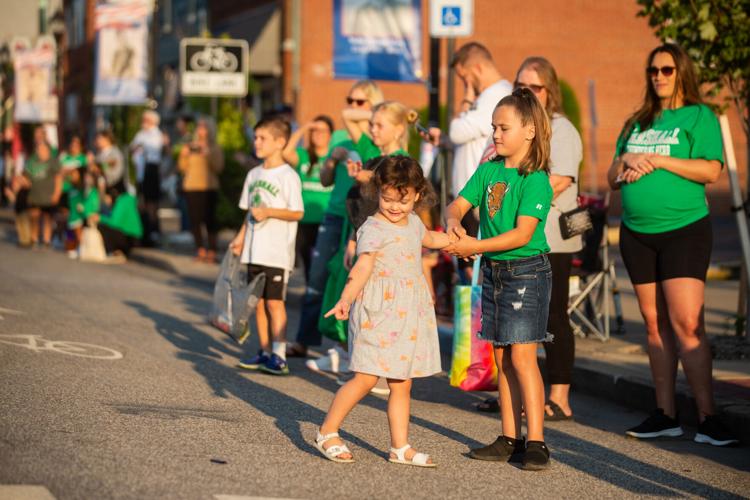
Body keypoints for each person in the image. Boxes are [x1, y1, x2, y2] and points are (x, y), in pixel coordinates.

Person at [607, 43, 737, 446]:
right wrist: (626, 160)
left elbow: (710, 170)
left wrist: (661, 161)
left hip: (684, 230)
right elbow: (612, 176)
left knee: (686, 325)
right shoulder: (637, 122)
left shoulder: (700, 116)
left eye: (666, 70)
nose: (658, 77)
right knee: (654, 325)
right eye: (653, 71)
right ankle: (665, 414)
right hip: (636, 233)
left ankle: (709, 418)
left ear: (681, 71)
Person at [314, 156, 453, 466]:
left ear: (417, 195)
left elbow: (429, 238)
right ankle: (328, 431)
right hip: (378, 312)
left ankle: (400, 446)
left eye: (402, 201)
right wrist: (345, 299)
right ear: (377, 191)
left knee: (402, 382)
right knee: (364, 378)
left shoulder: (415, 221)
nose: (394, 206)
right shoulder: (373, 228)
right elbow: (363, 266)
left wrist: (456, 242)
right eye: (387, 198)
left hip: (407, 313)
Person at [444, 88, 554, 470]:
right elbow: (457, 203)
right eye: (493, 127)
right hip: (493, 269)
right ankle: (509, 437)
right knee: (501, 355)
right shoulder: (489, 169)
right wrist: (455, 220)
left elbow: (522, 235)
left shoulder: (535, 178)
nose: (495, 134)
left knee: (523, 356)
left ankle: (537, 441)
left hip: (526, 271)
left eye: (504, 127)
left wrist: (475, 246)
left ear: (529, 131)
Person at [475, 58, 583, 420]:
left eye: (533, 87)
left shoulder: (561, 128)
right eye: (519, 86)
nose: (525, 93)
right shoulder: (507, 132)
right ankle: (516, 401)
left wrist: (517, 206)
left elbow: (560, 179)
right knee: (510, 335)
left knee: (552, 317)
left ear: (549, 90)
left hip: (548, 235)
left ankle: (560, 396)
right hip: (507, 243)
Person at [286, 80, 384, 363]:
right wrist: (332, 161)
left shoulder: (375, 141)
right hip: (334, 214)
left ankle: (346, 347)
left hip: (362, 217)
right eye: (349, 101)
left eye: (360, 102)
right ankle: (304, 341)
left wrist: (374, 114)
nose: (352, 107)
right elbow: (325, 179)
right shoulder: (341, 138)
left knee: (351, 279)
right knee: (317, 277)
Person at [429, 42, 513, 281]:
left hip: (478, 200)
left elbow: (458, 130)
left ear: (476, 68)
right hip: (469, 197)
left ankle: (476, 319)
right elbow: (461, 137)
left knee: (474, 274)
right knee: (467, 273)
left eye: (464, 78)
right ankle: (470, 318)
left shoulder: (495, 95)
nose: (465, 85)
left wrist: (466, 98)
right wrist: (445, 140)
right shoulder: (487, 96)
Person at [232, 117, 304, 376]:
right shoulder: (254, 174)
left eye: (263, 138)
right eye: (256, 138)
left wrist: (270, 212)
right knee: (258, 303)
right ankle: (264, 350)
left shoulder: (288, 176)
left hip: (276, 253)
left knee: (275, 303)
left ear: (280, 142)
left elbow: (297, 212)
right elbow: (249, 212)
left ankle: (279, 355)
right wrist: (240, 237)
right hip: (254, 248)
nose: (257, 142)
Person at [282, 115, 335, 280]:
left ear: (330, 135)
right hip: (304, 219)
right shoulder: (303, 155)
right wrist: (304, 128)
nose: (318, 134)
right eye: (315, 131)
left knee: (324, 261)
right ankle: (311, 292)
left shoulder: (334, 158)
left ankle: (319, 295)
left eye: (322, 131)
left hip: (326, 218)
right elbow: (285, 152)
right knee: (307, 261)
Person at [178, 117, 224, 263]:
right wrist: (183, 155)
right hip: (191, 187)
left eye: (204, 127)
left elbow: (218, 167)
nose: (201, 130)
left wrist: (208, 153)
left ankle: (212, 250)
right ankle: (200, 249)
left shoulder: (214, 147)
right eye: (199, 127)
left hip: (209, 187)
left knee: (210, 220)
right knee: (195, 220)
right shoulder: (191, 146)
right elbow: (182, 167)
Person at [130, 110, 167, 246]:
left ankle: (152, 231)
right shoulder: (141, 134)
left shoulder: (156, 134)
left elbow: (155, 150)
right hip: (141, 171)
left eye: (146, 120)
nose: (143, 122)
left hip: (151, 169)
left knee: (151, 203)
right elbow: (132, 147)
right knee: (142, 203)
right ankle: (143, 231)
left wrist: (141, 147)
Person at [25, 140, 62, 248]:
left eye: (42, 149)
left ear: (48, 150)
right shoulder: (32, 161)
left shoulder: (53, 162)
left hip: (48, 195)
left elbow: (58, 178)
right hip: (34, 195)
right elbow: (26, 176)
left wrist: (57, 193)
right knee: (34, 216)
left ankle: (47, 240)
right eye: (38, 149)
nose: (40, 151)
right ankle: (34, 238)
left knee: (47, 218)